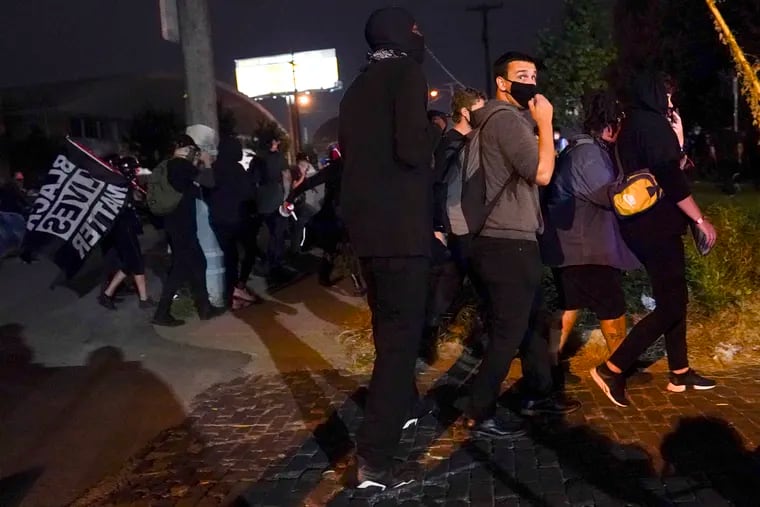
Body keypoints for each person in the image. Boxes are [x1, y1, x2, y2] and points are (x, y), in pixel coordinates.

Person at [339, 7, 441, 490]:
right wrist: (441, 133)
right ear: (400, 34)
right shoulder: (406, 74)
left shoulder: (358, 86)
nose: (422, 35)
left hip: (369, 236)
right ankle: (375, 460)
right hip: (402, 233)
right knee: (400, 346)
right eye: (416, 28)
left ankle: (403, 409)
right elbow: (412, 150)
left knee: (389, 334)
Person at [461, 51, 580, 440]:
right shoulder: (507, 121)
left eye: (533, 74)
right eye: (521, 74)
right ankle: (479, 410)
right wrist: (545, 123)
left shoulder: (498, 121)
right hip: (508, 241)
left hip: (501, 239)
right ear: (502, 82)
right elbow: (543, 173)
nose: (530, 80)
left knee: (532, 321)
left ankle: (538, 393)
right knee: (509, 331)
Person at [590, 71, 717, 408]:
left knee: (673, 295)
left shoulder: (631, 124)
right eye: (669, 95)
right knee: (673, 301)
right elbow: (672, 179)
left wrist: (677, 138)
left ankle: (680, 371)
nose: (672, 102)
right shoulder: (652, 124)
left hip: (641, 223)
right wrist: (701, 220)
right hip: (656, 225)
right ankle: (612, 368)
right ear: (656, 94)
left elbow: (666, 164)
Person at [540, 90, 640, 380]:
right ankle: (619, 367)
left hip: (572, 245)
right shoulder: (588, 155)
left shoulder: (581, 150)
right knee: (612, 306)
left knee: (569, 306)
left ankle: (546, 369)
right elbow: (611, 196)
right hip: (586, 248)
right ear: (608, 126)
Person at [152, 135, 225, 327]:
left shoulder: (168, 165)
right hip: (182, 225)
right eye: (192, 149)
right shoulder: (181, 166)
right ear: (185, 149)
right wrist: (207, 163)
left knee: (197, 263)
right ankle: (162, 313)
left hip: (174, 224)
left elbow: (190, 186)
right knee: (180, 269)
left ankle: (204, 308)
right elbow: (209, 182)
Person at [208, 136, 261, 309]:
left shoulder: (213, 168)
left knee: (230, 257)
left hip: (218, 221)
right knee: (250, 250)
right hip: (238, 219)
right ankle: (240, 287)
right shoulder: (237, 169)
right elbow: (249, 194)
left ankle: (232, 295)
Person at [98, 157, 156, 310]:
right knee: (135, 261)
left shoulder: (122, 183)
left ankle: (112, 294)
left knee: (131, 263)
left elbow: (136, 200)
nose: (136, 172)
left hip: (124, 226)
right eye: (134, 170)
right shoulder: (117, 184)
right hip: (123, 227)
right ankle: (111, 294)